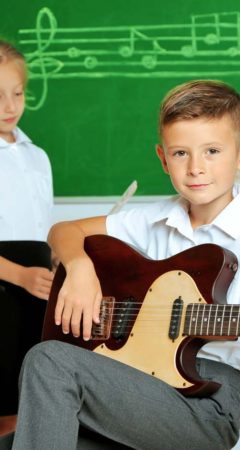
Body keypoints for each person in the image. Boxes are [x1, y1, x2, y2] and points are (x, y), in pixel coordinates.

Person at [3, 80, 240, 450]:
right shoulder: (154, 219)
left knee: (49, 362)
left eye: (212, 151)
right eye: (181, 153)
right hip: (129, 389)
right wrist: (79, 268)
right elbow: (64, 230)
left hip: (204, 409)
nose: (196, 168)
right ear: (163, 158)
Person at [0, 41, 54, 437]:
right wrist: (18, 275)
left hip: (35, 286)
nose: (9, 105)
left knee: (26, 403)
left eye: (17, 93)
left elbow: (39, 225)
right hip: (5, 282)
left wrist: (52, 262)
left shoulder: (38, 156)